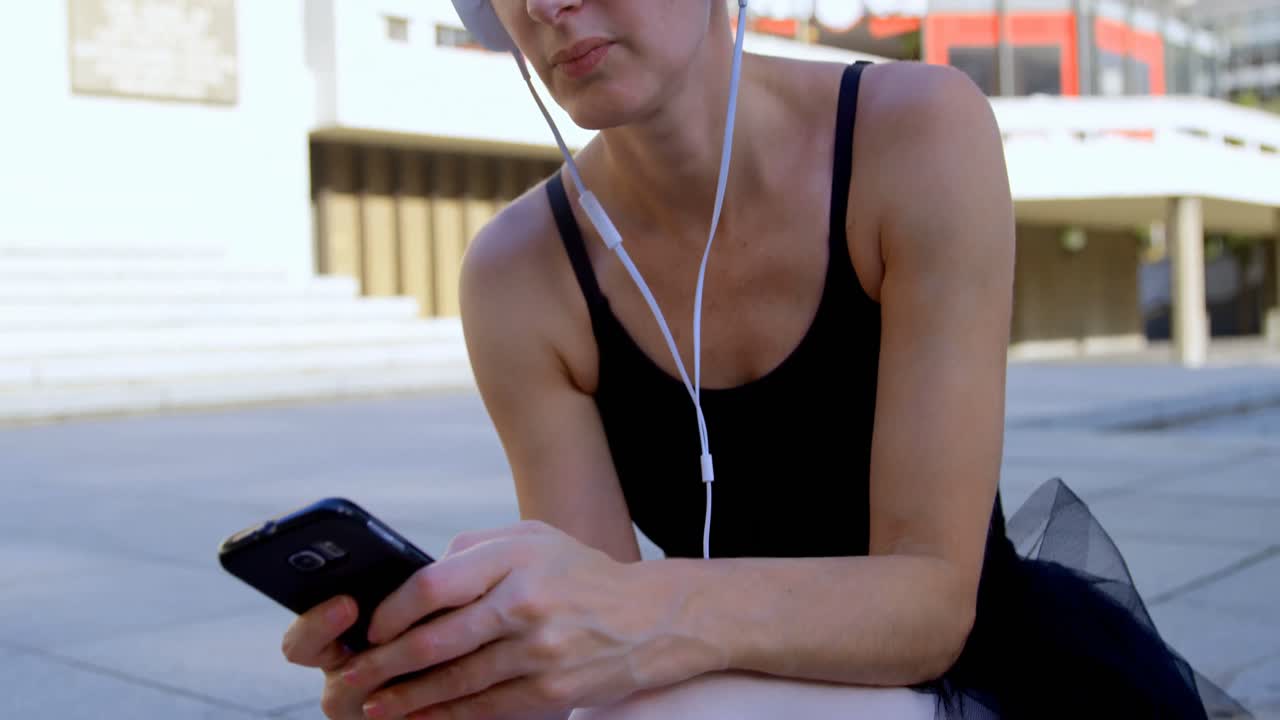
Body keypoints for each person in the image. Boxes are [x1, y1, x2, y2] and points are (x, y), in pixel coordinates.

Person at [278, 2, 1254, 718]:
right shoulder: (518, 270)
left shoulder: (914, 133)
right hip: (716, 681)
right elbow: (596, 638)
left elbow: (928, 603)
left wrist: (625, 613)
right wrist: (460, 660)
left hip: (972, 669)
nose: (544, 6)